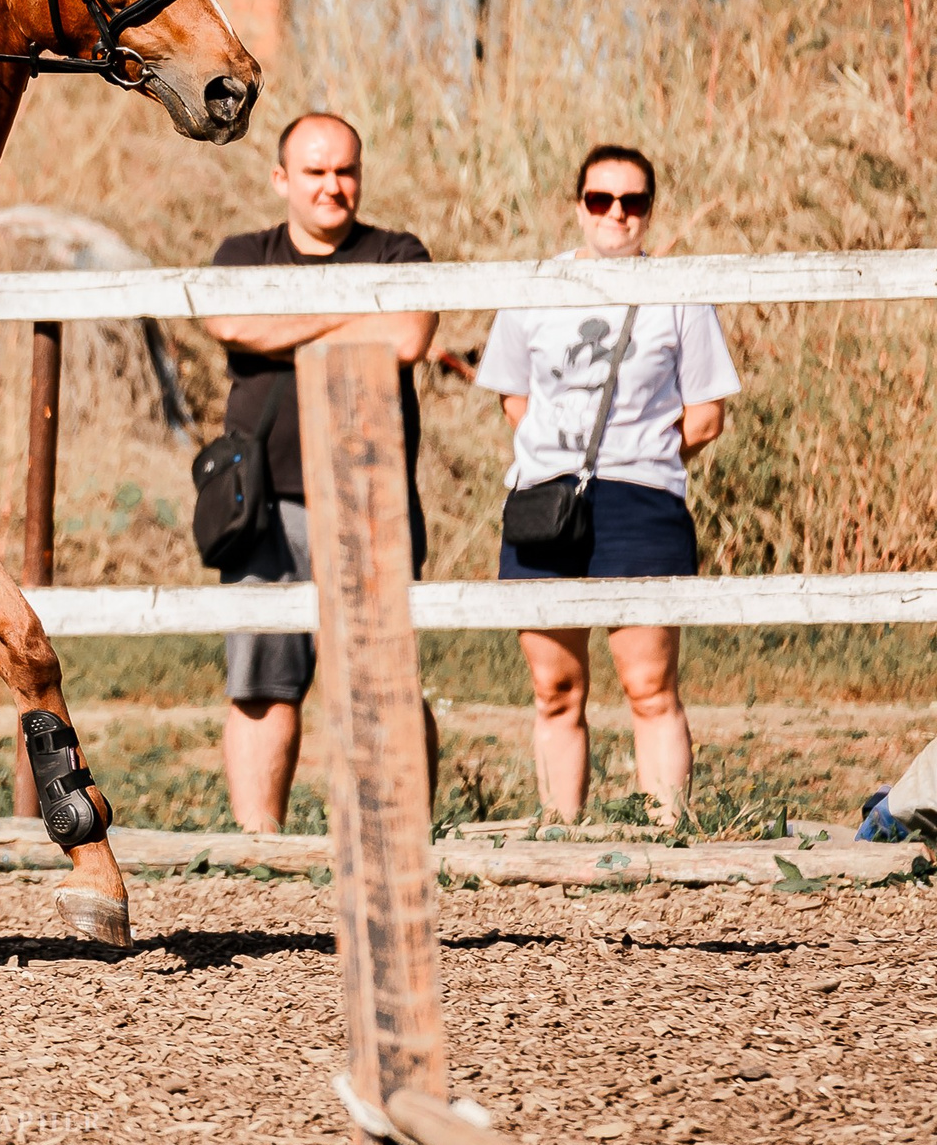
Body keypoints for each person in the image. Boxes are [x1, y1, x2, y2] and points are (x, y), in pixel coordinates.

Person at [476, 144, 739, 828]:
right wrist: (563, 455)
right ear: (578, 205)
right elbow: (513, 398)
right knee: (555, 687)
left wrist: (640, 449)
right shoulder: (535, 285)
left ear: (650, 210)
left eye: (633, 202)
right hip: (545, 495)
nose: (616, 214)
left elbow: (706, 414)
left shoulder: (679, 292)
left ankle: (666, 831)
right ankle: (561, 829)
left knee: (649, 685)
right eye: (601, 199)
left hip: (642, 498)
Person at [201, 113, 437, 832]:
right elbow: (228, 320)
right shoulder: (244, 253)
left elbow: (408, 335)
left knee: (380, 679)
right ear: (281, 179)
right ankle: (258, 846)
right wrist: (349, 317)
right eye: (315, 171)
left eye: (345, 170)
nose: (332, 185)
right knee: (261, 682)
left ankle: (398, 838)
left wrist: (289, 322)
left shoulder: (398, 251)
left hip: (372, 495)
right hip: (261, 502)